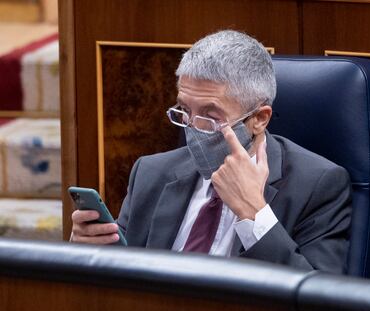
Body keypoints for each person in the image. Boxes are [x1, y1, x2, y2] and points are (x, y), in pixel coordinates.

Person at [71, 30, 352, 274]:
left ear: (259, 119)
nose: (193, 129)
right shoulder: (151, 173)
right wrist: (88, 253)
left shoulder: (318, 185)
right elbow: (123, 275)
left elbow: (318, 297)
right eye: (185, 111)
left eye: (211, 116)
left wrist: (254, 214)